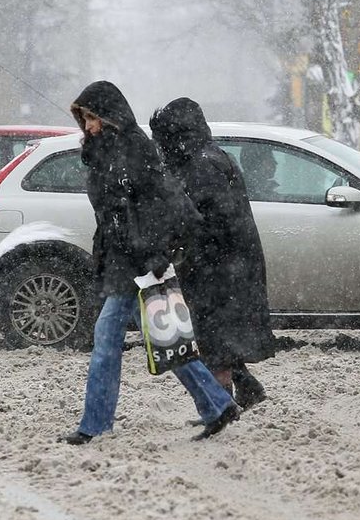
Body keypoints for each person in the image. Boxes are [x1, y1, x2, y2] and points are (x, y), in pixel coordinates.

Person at [59, 81, 238, 445]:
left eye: (93, 118)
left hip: (140, 260)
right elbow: (110, 215)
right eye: (84, 119)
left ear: (110, 116)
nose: (88, 126)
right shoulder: (100, 152)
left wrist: (155, 252)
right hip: (123, 259)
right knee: (164, 338)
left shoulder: (136, 148)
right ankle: (217, 404)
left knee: (108, 339)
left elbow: (161, 202)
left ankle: (93, 425)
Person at [149, 97, 273, 411]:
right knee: (218, 335)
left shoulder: (201, 165)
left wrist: (176, 241)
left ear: (175, 135)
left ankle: (221, 406)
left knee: (213, 338)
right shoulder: (208, 157)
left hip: (218, 267)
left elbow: (204, 219)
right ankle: (246, 390)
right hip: (223, 264)